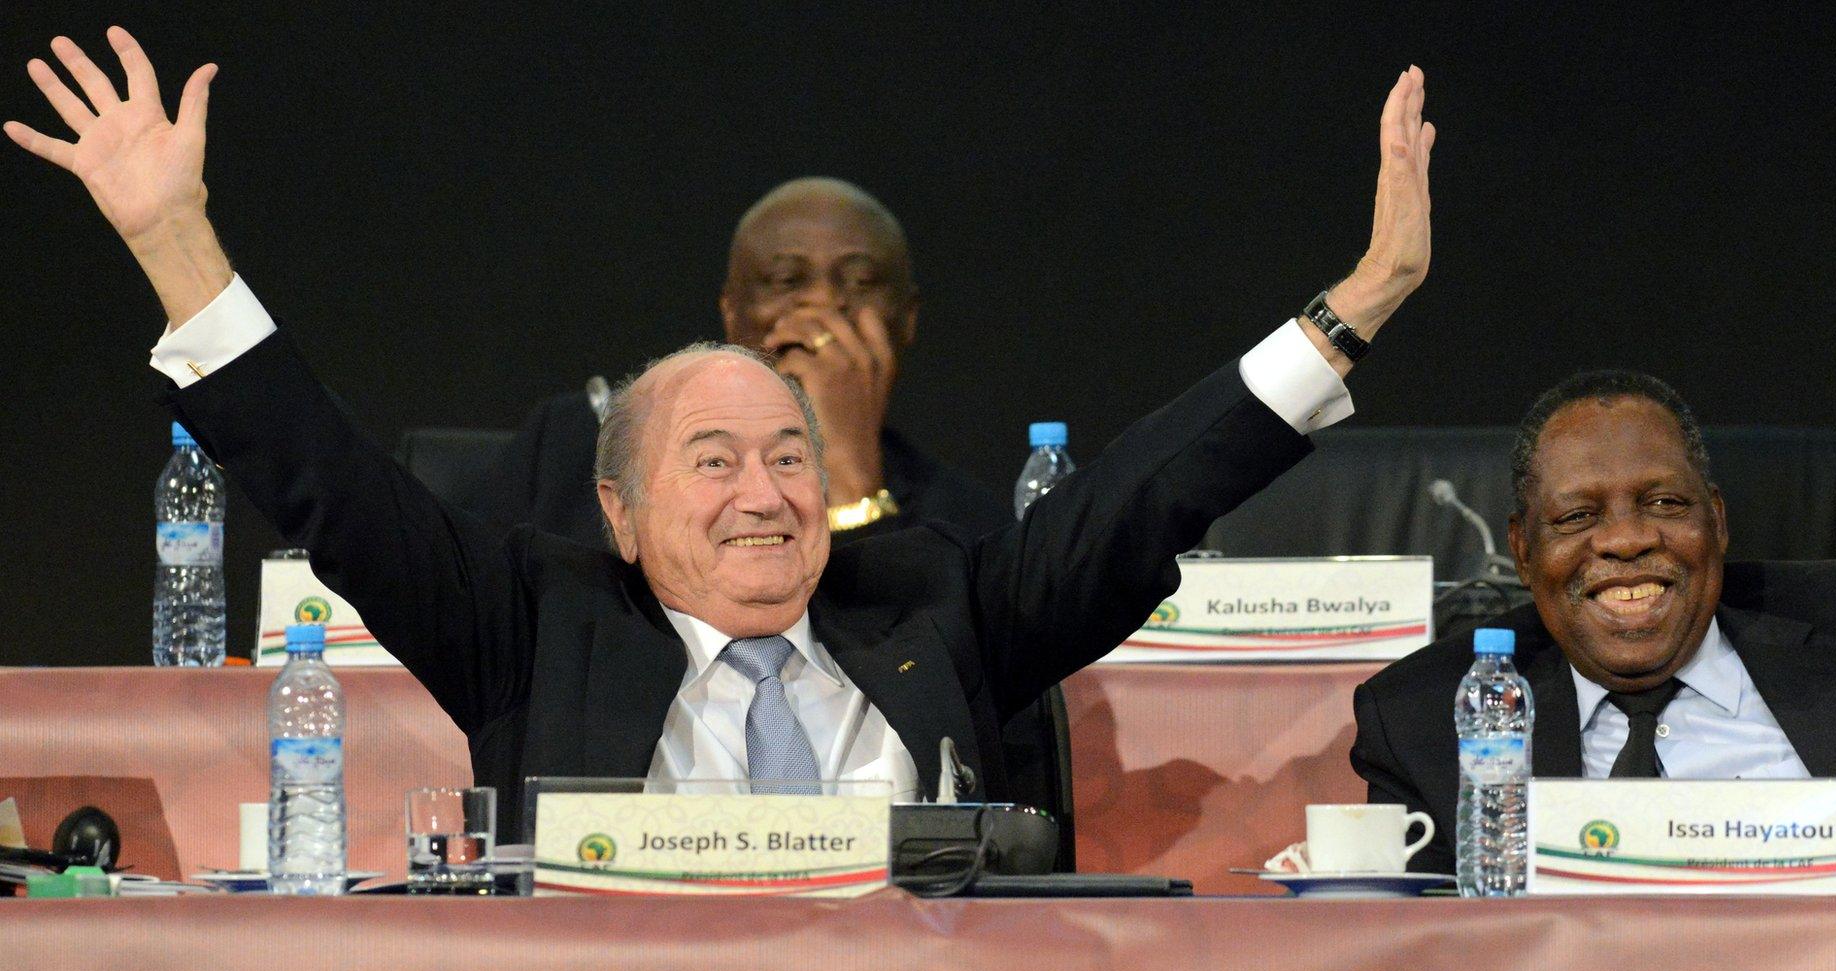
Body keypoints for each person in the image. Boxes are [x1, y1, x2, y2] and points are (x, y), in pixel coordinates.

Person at [9, 29, 1437, 836]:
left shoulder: (944, 605)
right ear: (619, 513)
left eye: (791, 457)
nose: (766, 495)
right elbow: (319, 479)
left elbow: (1143, 499)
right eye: (713, 461)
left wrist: (1354, 309)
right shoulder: (529, 625)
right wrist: (174, 237)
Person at [1352, 370, 1836, 874]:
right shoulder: (1423, 720)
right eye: (1577, 517)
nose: (1626, 541)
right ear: (1523, 549)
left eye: (1662, 504)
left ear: (1715, 520)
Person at [474, 177, 1008, 550]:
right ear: (732, 314)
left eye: (861, 282)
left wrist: (849, 484)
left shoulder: (967, 527)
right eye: (786, 280)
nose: (822, 308)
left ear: (907, 318)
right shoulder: (572, 451)